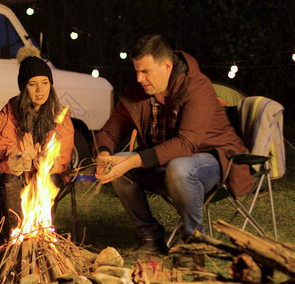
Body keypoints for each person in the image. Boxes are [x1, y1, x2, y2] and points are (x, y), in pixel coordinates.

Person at [95, 34, 254, 256]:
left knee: (179, 167)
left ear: (167, 66)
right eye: (137, 71)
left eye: (145, 71)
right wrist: (104, 155)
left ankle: (194, 244)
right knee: (119, 166)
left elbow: (186, 144)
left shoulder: (196, 87)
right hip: (164, 163)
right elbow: (109, 132)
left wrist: (133, 161)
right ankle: (150, 238)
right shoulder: (138, 92)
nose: (139, 78)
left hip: (214, 160)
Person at [0, 46, 74, 238]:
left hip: (46, 173)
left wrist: (45, 160)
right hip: (17, 171)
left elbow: (63, 158)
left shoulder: (60, 116)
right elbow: (2, 146)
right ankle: (13, 239)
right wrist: (20, 157)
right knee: (9, 181)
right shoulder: (10, 111)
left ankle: (43, 237)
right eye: (32, 84)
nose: (40, 90)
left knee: (49, 180)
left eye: (45, 83)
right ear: (23, 87)